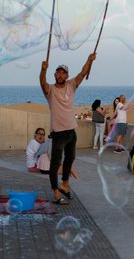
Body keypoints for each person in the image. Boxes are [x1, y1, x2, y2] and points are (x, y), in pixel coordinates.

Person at [39, 53, 96, 205]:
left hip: (72, 132)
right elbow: (42, 82)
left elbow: (83, 73)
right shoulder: (50, 90)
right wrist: (43, 70)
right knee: (55, 163)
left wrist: (89, 60)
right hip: (58, 133)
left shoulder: (71, 85)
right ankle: (55, 192)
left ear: (67, 75)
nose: (60, 74)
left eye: (63, 72)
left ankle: (64, 184)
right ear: (55, 74)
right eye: (58, 72)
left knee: (70, 159)